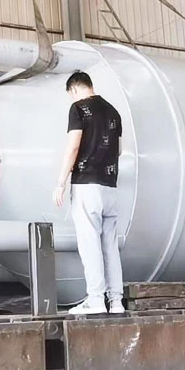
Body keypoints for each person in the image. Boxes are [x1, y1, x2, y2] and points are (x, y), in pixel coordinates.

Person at [52, 70, 124, 315]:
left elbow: (73, 147)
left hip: (86, 185)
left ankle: (95, 300)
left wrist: (60, 182)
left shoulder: (78, 109)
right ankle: (116, 301)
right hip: (110, 186)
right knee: (110, 245)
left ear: (73, 89)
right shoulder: (114, 112)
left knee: (89, 242)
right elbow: (119, 150)